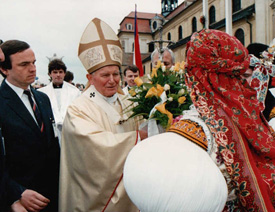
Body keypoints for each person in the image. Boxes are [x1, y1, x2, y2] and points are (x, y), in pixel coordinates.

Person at [123, 29, 275, 211]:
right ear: (221, 79)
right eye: (239, 77)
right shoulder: (198, 131)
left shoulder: (240, 118)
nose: (247, 87)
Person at [59, 18, 146, 212]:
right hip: (98, 199)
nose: (112, 80)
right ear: (90, 78)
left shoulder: (128, 102)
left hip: (132, 189)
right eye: (105, 75)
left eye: (116, 74)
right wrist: (139, 138)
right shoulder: (79, 109)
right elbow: (93, 150)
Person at [0, 40, 60, 212]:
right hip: (21, 202)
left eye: (34, 62)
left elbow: (52, 145)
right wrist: (16, 193)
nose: (33, 68)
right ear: (4, 69)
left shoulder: (42, 99)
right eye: (24, 64)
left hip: (50, 196)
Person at [39, 59, 81, 142]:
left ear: (64, 74)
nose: (58, 75)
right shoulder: (41, 93)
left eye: (61, 72)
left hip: (71, 133)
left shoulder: (75, 91)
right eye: (55, 72)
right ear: (49, 74)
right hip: (50, 134)